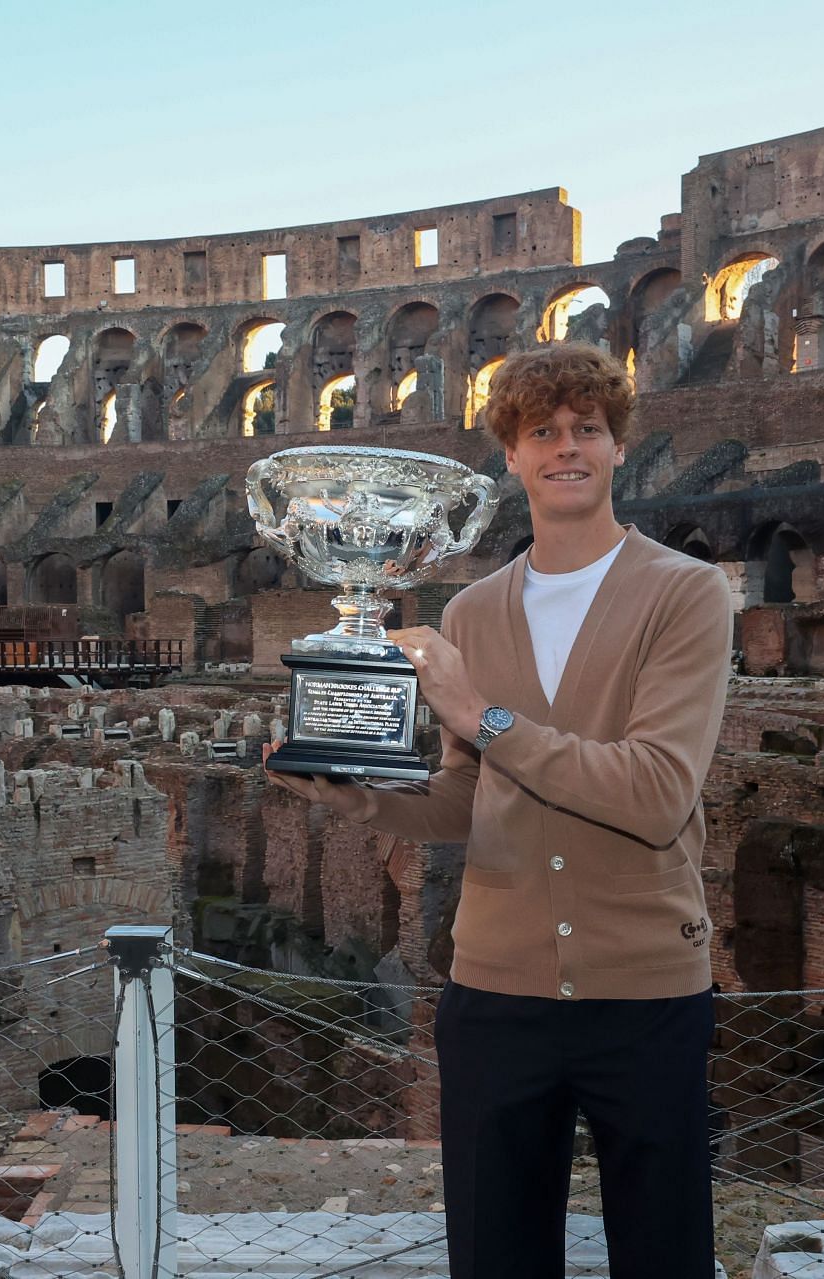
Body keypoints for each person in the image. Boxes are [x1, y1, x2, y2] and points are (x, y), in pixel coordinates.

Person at [265, 342, 731, 1278]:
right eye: (542, 432)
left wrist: (483, 712)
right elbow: (469, 798)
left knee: (666, 1255)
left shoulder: (686, 593)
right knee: (494, 1257)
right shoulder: (473, 612)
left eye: (587, 430)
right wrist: (361, 799)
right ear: (511, 458)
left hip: (644, 990)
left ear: (617, 449)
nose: (567, 448)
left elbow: (654, 793)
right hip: (495, 990)